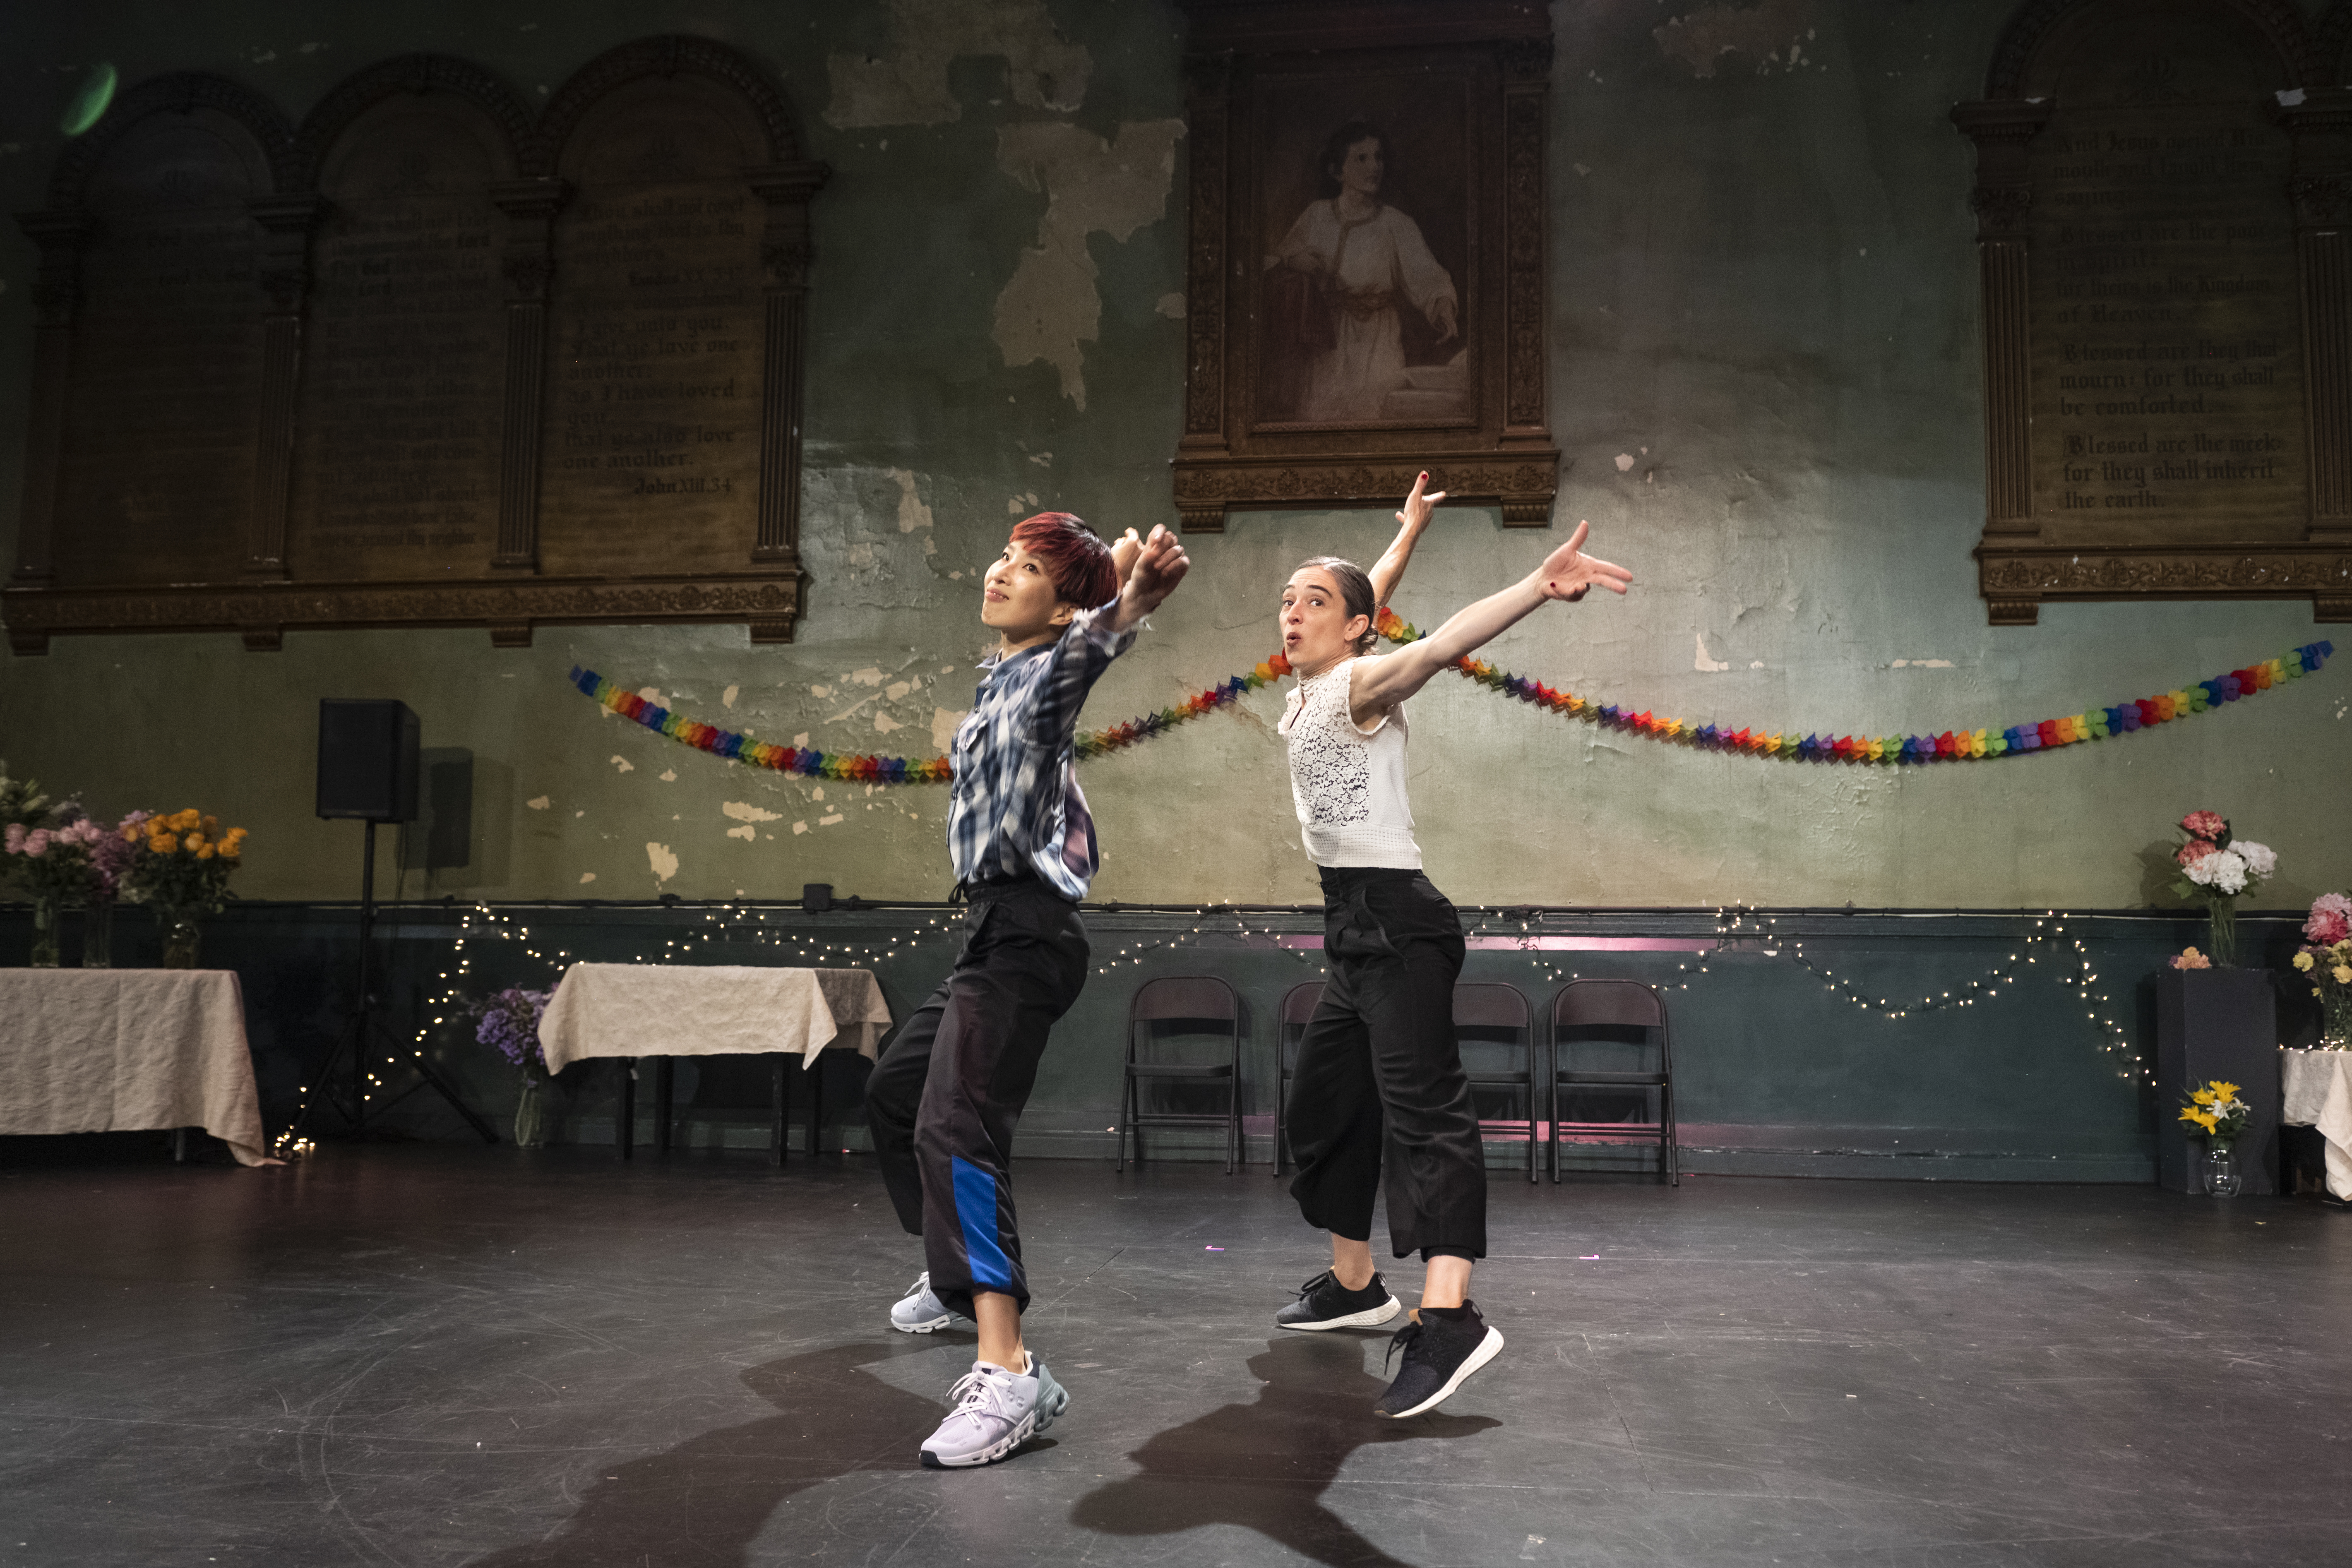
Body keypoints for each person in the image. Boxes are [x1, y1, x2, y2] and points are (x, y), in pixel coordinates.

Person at [1271, 474, 1631, 1418]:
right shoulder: (1311, 687)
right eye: (1286, 598)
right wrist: (1405, 535)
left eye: (1312, 601)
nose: (1291, 612)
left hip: (1398, 922)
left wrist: (1530, 586)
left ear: (1352, 628)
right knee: (1320, 1109)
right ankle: (1354, 1287)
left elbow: (1436, 642)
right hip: (1350, 927)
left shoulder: (1360, 682)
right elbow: (1370, 591)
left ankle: (1449, 1317)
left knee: (1423, 1112)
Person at [865, 513, 1189, 1468]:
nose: (1002, 571)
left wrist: (1123, 604)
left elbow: (1084, 659)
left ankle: (1007, 1372)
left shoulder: (1048, 676)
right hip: (990, 931)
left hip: (1027, 934)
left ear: (1063, 599)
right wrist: (1100, 585)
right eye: (1004, 554)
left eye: (1030, 566)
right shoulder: (999, 680)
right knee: (896, 1095)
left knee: (958, 1126)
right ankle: (950, 1269)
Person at [1267, 120, 1460, 424]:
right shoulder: (1317, 216)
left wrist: (1442, 305)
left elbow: (1427, 276)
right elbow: (1274, 263)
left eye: (1378, 157)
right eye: (1362, 158)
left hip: (1378, 342)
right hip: (1325, 341)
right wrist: (1294, 262)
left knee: (1375, 418)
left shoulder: (1396, 224)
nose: (1375, 167)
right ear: (1337, 171)